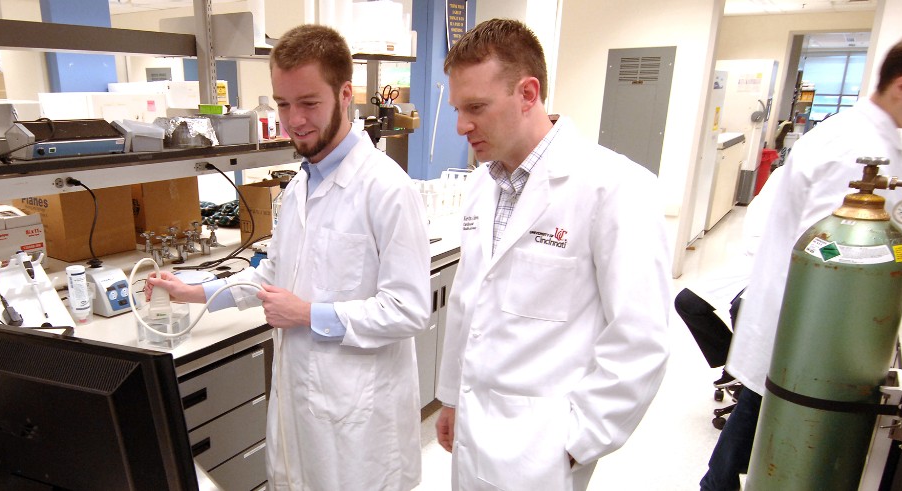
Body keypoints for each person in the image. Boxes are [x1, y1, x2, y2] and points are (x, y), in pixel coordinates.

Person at [146, 24, 430, 491]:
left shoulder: (386, 189)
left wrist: (308, 314)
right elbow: (274, 276)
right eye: (282, 103)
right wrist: (193, 291)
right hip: (303, 410)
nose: (293, 119)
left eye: (308, 103)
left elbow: (409, 308)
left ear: (344, 95)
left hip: (360, 424)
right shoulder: (300, 187)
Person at [703, 29, 902, 491]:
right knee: (750, 452)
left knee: (742, 446)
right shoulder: (856, 149)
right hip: (803, 333)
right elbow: (830, 249)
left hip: (803, 330)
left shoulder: (867, 135)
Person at [434, 18, 671, 490]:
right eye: (459, 108)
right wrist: (450, 396)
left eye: (476, 107)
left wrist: (575, 442)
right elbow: (467, 302)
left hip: (543, 447)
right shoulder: (484, 184)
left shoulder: (616, 188)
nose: (462, 126)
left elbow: (641, 338)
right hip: (474, 425)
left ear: (527, 93)